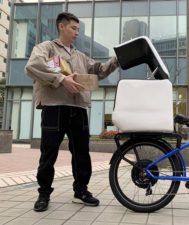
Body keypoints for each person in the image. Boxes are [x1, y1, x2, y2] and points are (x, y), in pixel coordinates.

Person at [25, 12, 119, 212]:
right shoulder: (46, 48)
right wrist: (61, 79)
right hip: (54, 108)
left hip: (78, 109)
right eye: (74, 28)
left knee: (82, 153)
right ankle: (43, 193)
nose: (77, 32)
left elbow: (100, 70)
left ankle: (81, 191)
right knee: (48, 153)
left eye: (78, 29)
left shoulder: (80, 56)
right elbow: (33, 66)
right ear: (61, 26)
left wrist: (117, 59)